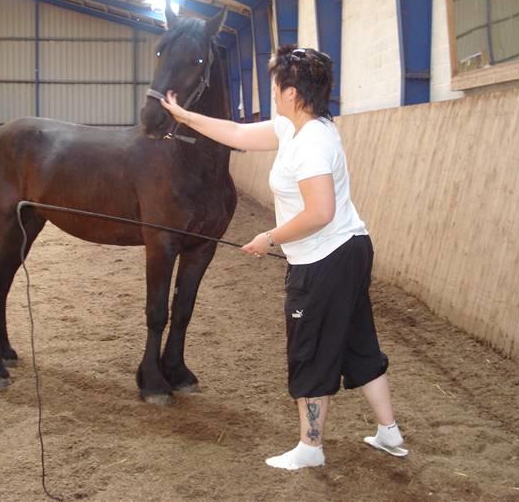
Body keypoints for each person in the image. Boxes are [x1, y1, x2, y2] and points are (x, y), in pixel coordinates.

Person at [160, 45, 408, 470]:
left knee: (309, 348)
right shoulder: (298, 127)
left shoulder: (310, 142)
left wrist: (269, 238)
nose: (272, 92)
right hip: (347, 250)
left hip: (324, 259)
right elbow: (237, 135)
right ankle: (389, 433)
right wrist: (186, 117)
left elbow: (320, 211)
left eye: (276, 86)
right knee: (356, 341)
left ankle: (310, 448)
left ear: (291, 92)